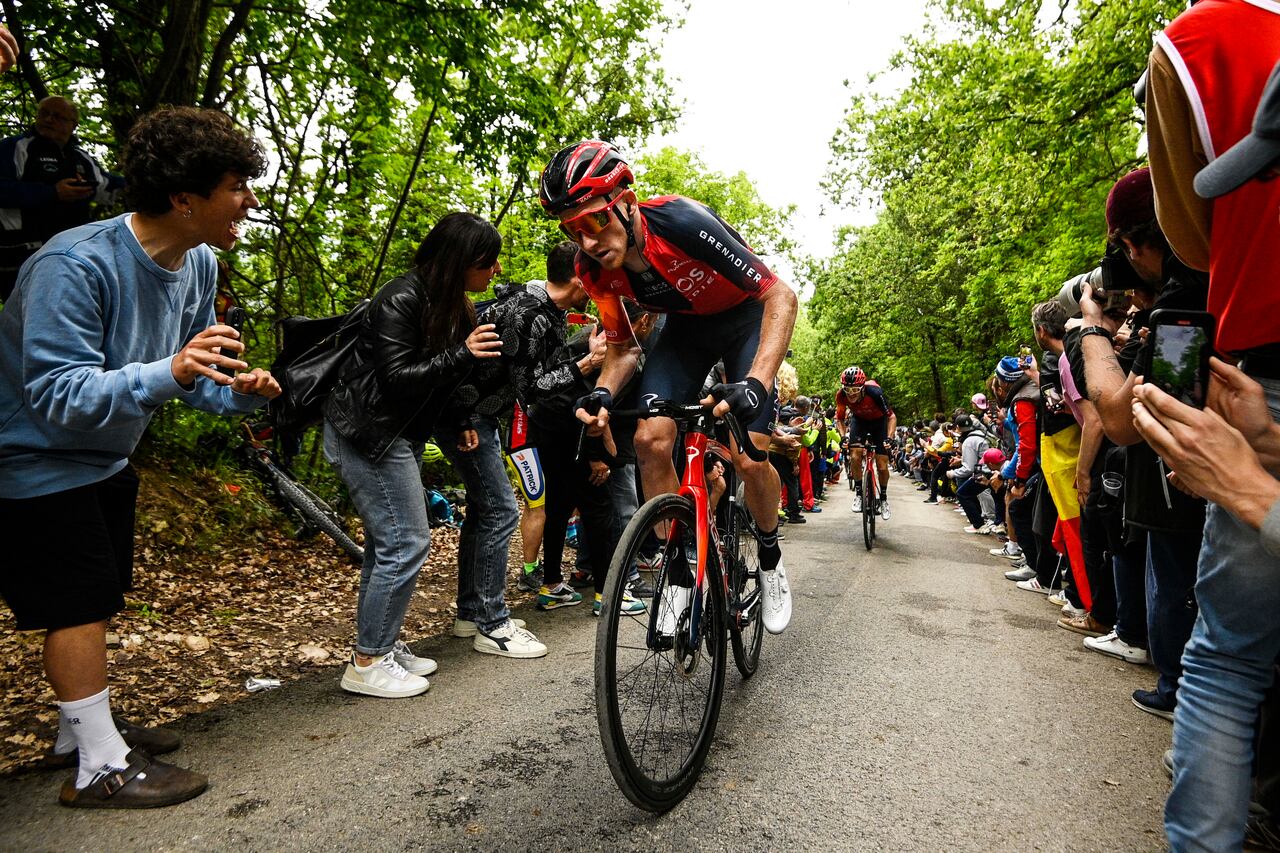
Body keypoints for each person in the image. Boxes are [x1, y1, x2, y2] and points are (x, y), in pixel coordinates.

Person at [0, 106, 278, 808]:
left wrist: (241, 393)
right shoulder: (72, 264)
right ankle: (99, 766)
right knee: (80, 601)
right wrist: (172, 372)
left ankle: (77, 732)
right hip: (31, 456)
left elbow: (192, 376)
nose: (249, 200)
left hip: (106, 455)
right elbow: (56, 395)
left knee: (95, 596)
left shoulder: (199, 261)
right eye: (237, 186)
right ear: (184, 198)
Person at [538, 140, 796, 635]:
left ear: (627, 203)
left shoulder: (681, 222)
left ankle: (768, 554)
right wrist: (605, 394)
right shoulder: (593, 271)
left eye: (595, 220)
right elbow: (622, 348)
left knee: (749, 456)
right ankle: (679, 569)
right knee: (649, 439)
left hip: (745, 323)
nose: (588, 240)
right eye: (574, 229)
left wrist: (759, 385)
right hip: (686, 333)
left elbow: (779, 295)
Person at [1145, 8, 1280, 839]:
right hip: (1254, 381)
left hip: (1258, 342)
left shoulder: (1203, 38)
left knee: (1227, 659)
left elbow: (1192, 238)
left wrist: (1252, 491)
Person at [325, 211, 547, 696]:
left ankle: (379, 643)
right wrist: (463, 353)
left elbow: (440, 382)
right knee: (406, 541)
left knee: (391, 543)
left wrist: (459, 420)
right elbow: (398, 378)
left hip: (395, 434)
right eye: (486, 262)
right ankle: (367, 662)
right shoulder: (400, 299)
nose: (494, 272)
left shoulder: (450, 304)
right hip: (366, 433)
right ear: (459, 260)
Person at [1, 96, 126, 301]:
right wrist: (53, 192)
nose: (49, 120)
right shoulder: (15, 147)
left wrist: (150, 183)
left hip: (73, 256)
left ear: (73, 124)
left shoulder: (80, 158)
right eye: (44, 114)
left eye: (57, 116)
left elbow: (105, 185)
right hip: (21, 257)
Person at [834, 365, 896, 518]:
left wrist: (890, 437)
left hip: (879, 422)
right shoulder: (841, 395)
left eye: (855, 390)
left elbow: (891, 417)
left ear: (862, 387)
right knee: (854, 456)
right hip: (859, 421)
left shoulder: (875, 392)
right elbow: (840, 419)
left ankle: (883, 499)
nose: (851, 394)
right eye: (848, 390)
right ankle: (859, 494)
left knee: (882, 466)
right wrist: (843, 437)